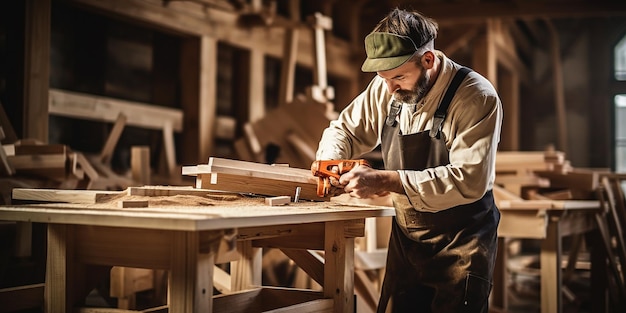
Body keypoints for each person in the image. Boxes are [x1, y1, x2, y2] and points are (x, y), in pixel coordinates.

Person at [313, 8, 503, 313]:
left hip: (462, 243)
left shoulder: (475, 97)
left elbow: (470, 179)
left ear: (428, 60)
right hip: (408, 241)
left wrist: (385, 180)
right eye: (383, 78)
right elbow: (345, 128)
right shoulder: (387, 86)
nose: (390, 89)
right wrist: (331, 161)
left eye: (399, 77)